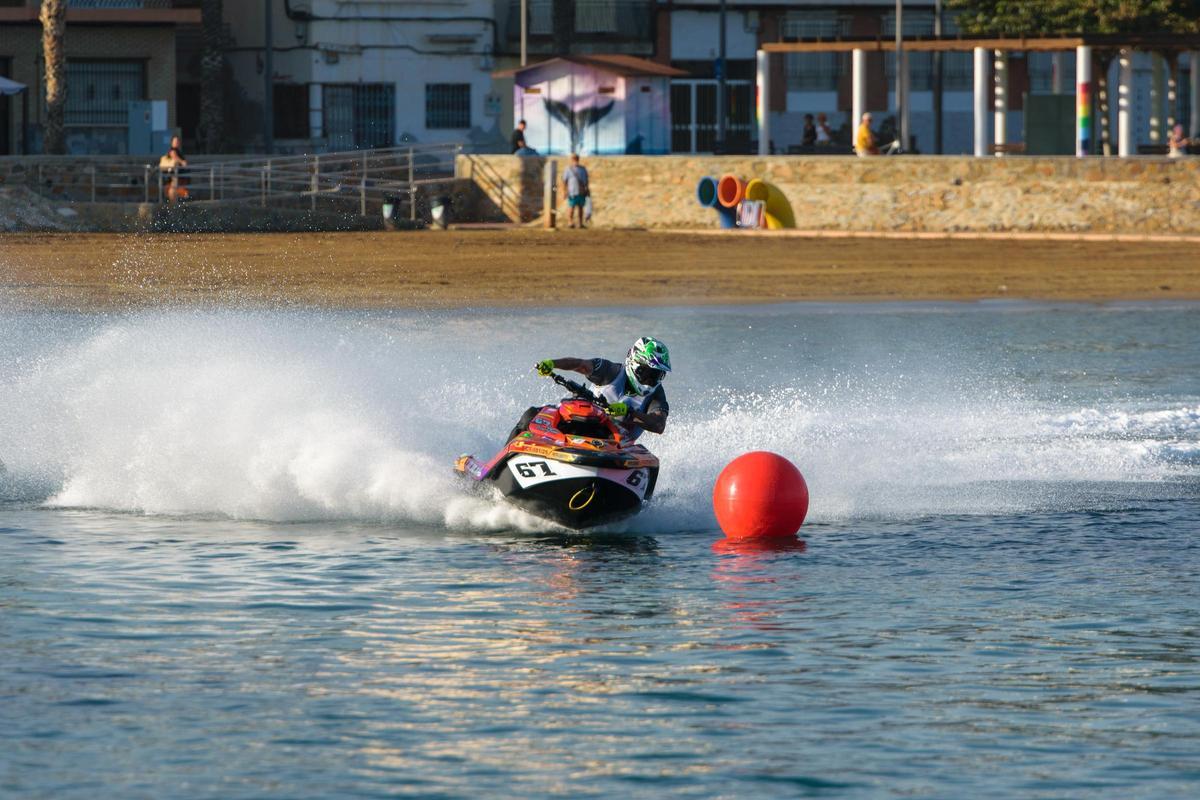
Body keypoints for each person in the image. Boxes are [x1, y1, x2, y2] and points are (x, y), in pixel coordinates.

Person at [529, 337, 672, 441]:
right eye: (647, 372)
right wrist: (553, 364)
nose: (650, 380)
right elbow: (580, 364)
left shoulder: (656, 394)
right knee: (532, 414)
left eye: (656, 375)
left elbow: (659, 425)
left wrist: (628, 413)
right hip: (580, 422)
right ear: (633, 363)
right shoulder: (610, 370)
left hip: (616, 444)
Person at [561, 153, 589, 229]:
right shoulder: (568, 169)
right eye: (573, 159)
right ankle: (570, 222)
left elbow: (586, 181)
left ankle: (580, 223)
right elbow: (564, 181)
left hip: (581, 191)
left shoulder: (583, 169)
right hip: (572, 191)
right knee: (571, 207)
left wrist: (587, 190)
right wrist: (564, 191)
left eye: (576, 158)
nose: (575, 160)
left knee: (581, 208)